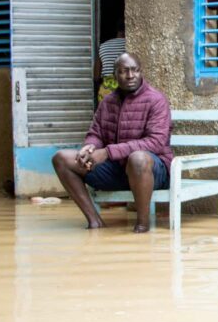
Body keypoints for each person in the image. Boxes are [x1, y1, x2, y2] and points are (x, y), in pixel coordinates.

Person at [52, 53, 173, 233]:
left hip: (152, 172)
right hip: (116, 171)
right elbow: (96, 132)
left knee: (138, 158)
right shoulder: (108, 102)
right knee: (62, 158)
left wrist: (107, 152)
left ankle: (142, 224)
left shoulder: (156, 100)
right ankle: (95, 222)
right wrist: (90, 146)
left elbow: (155, 142)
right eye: (124, 71)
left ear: (141, 72)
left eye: (135, 70)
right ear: (115, 75)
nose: (130, 76)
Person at [95, 21, 126, 105]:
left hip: (106, 88)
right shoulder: (130, 45)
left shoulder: (103, 46)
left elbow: (96, 76)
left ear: (116, 30)